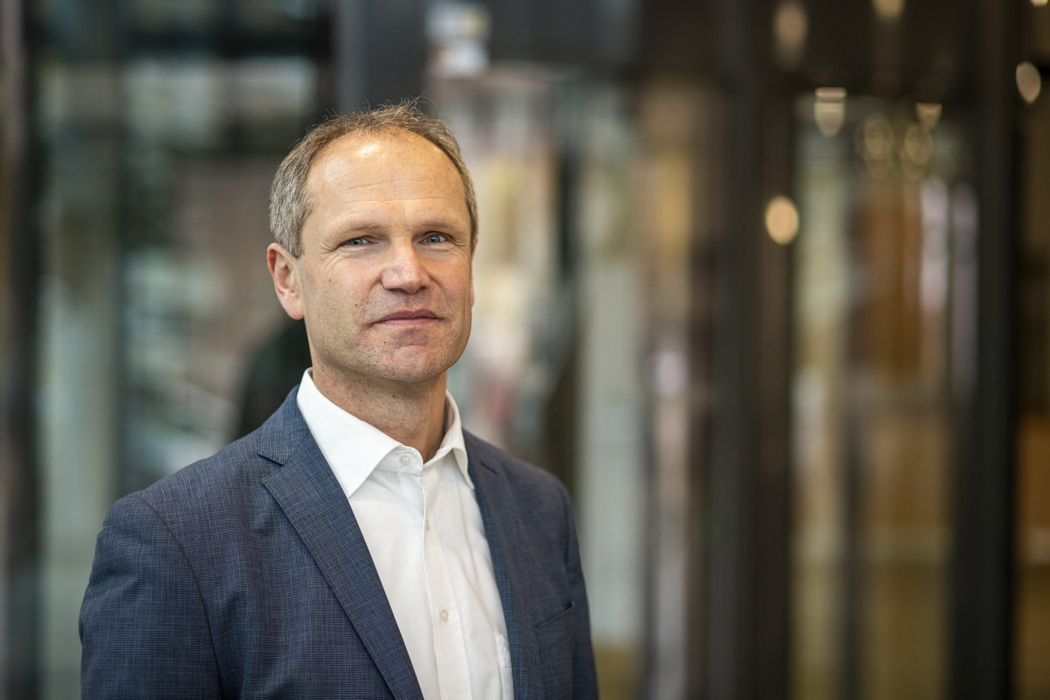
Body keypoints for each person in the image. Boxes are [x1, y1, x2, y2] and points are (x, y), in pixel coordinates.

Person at [79, 101, 598, 699]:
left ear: (472, 266)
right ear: (287, 280)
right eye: (361, 241)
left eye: (436, 237)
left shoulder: (539, 509)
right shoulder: (176, 542)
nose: (408, 273)